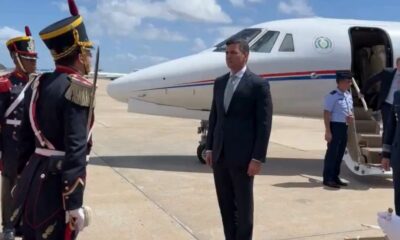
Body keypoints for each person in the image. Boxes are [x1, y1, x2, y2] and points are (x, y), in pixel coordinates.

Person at [10, 0, 95, 239]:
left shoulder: (38, 83)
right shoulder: (80, 88)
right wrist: (73, 201)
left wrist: (21, 178)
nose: (89, 57)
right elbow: (76, 147)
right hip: (56, 187)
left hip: (31, 181)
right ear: (78, 54)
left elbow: (25, 140)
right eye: (87, 51)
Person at [205, 38, 273, 240]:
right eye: (227, 53)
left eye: (233, 53)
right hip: (220, 155)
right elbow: (214, 116)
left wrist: (257, 158)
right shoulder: (220, 82)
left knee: (243, 210)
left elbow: (264, 125)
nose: (229, 57)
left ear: (246, 55)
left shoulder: (258, 85)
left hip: (244, 159)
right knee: (225, 206)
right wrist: (209, 148)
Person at [0, 26, 37, 240]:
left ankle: (22, 222)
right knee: (10, 186)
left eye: (34, 58)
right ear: (16, 58)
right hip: (11, 144)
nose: (34, 62)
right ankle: (8, 225)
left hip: (30, 145)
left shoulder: (35, 84)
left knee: (28, 185)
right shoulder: (5, 85)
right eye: (29, 58)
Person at [322, 71, 354, 188]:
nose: (349, 84)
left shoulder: (348, 95)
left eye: (350, 82)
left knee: (340, 153)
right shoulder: (332, 96)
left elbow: (347, 111)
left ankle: (335, 176)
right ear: (339, 82)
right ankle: (328, 178)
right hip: (334, 126)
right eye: (347, 82)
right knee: (332, 153)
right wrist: (328, 131)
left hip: (344, 126)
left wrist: (349, 118)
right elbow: (326, 113)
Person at [360, 58, 400, 136]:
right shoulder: (387, 73)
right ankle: (385, 147)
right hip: (388, 105)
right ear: (397, 65)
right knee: (387, 128)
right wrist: (362, 91)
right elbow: (371, 80)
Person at [381, 90, 400, 216]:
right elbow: (391, 126)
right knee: (399, 196)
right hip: (398, 155)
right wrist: (386, 155)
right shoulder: (397, 95)